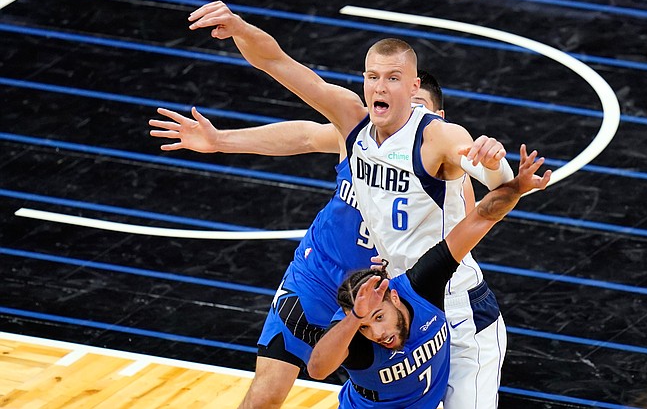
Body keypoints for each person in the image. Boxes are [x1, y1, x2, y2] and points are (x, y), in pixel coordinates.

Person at [188, 0, 519, 408]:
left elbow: (489, 191)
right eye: (374, 77)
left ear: (417, 93)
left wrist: (495, 167)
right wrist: (239, 31)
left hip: (430, 300)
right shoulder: (355, 127)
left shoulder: (439, 144)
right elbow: (285, 79)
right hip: (362, 286)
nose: (382, 88)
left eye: (395, 79)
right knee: (282, 390)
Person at [148, 72, 462, 408]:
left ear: (438, 121)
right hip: (319, 276)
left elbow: (467, 233)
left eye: (417, 110)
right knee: (265, 398)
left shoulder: (445, 173)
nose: (406, 118)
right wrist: (220, 141)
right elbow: (307, 137)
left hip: (383, 299)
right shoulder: (364, 139)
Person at [306, 145, 551, 408]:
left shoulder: (420, 285)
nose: (377, 333)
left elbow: (481, 216)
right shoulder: (352, 330)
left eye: (379, 317)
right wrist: (356, 320)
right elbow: (317, 370)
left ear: (395, 297)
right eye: (365, 326)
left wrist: (516, 188)